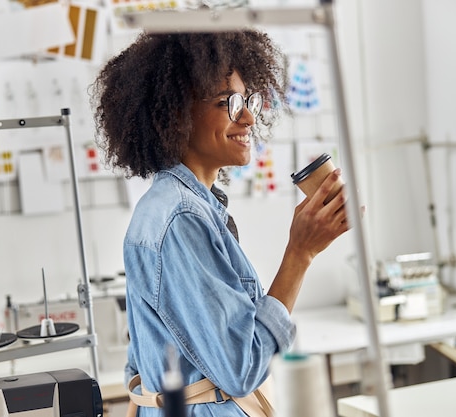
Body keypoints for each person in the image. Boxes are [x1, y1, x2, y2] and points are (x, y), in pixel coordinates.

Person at [92, 30, 349, 417]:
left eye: (248, 101)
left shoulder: (186, 208)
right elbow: (240, 367)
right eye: (227, 103)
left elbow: (145, 359)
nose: (247, 116)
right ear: (176, 113)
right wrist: (300, 253)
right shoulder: (179, 219)